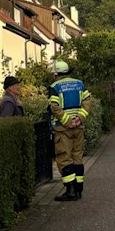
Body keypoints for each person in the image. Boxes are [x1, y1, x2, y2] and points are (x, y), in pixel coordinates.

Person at [49, 60, 92, 202]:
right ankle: (79, 190)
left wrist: (68, 121)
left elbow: (54, 107)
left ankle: (70, 191)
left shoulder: (54, 87)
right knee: (77, 157)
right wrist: (79, 118)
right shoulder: (79, 84)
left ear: (56, 74)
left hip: (63, 129)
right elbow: (87, 102)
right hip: (78, 127)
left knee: (64, 158)